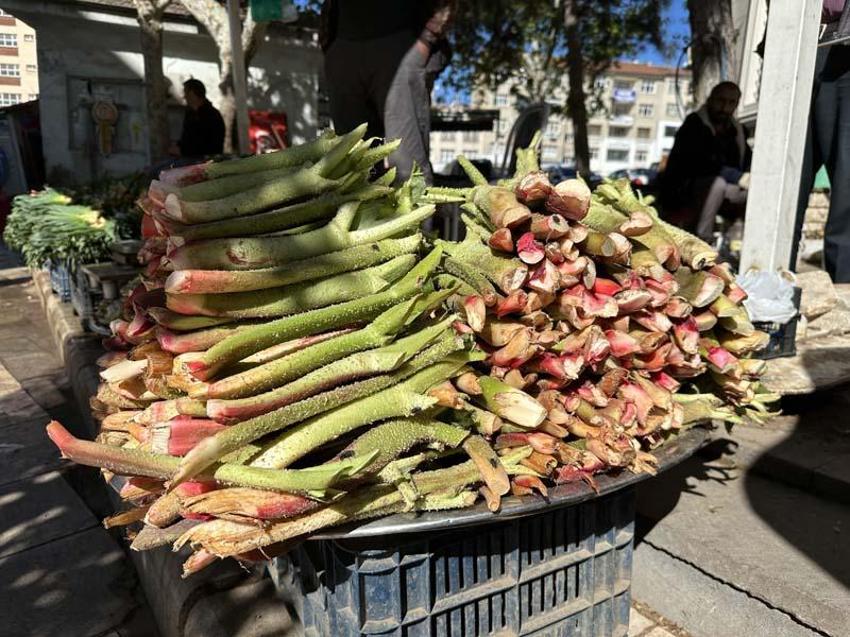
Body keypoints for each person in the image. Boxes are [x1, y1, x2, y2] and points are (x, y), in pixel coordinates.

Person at [319, 0, 454, 184]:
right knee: (354, 169)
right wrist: (330, 44)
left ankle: (417, 210)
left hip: (401, 41)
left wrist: (428, 37)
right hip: (343, 40)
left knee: (406, 166)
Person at [791, 1, 850, 281]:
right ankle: (774, 279)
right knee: (786, 180)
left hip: (844, 45)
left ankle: (845, 290)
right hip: (796, 45)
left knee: (846, 181)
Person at [660, 82, 752, 241]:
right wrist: (737, 177)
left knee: (752, 191)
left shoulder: (738, 131)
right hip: (686, 189)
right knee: (717, 184)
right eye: (720, 100)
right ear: (711, 99)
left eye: (731, 103)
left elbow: (747, 161)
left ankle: (741, 240)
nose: (724, 107)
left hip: (727, 190)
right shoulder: (694, 124)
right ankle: (703, 238)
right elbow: (698, 163)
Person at [169, 78, 225, 159]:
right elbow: (187, 139)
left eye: (186, 93)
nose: (184, 97)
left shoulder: (212, 116)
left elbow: (209, 146)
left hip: (205, 162)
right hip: (189, 159)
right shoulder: (190, 114)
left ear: (192, 94)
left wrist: (182, 151)